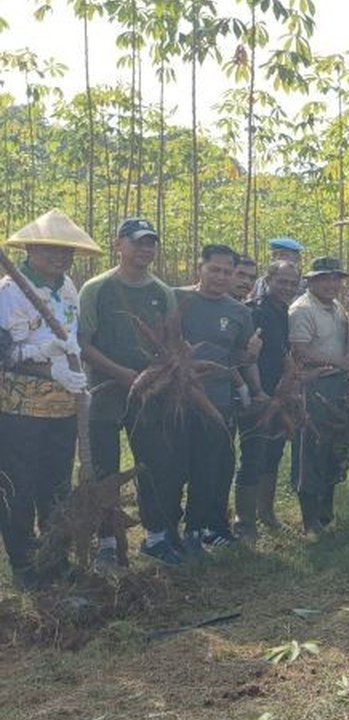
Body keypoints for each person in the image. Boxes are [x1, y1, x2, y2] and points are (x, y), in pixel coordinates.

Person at [131, 244, 255, 562]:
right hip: (174, 402)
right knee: (169, 470)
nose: (221, 277)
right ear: (200, 267)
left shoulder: (240, 312)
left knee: (206, 472)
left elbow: (237, 356)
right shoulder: (175, 298)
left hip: (217, 403)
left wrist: (251, 362)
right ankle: (162, 535)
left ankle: (194, 532)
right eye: (214, 269)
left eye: (228, 272)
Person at [0, 210, 98, 587]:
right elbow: (7, 351)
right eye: (51, 249)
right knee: (19, 485)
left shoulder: (68, 286)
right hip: (19, 408)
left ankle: (54, 554)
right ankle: (24, 562)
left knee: (55, 483)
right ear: (30, 248)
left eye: (66, 251)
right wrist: (47, 364)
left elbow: (69, 336)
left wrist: (66, 368)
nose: (60, 257)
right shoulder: (12, 290)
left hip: (63, 404)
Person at [79, 217, 177, 569]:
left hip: (149, 393)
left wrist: (158, 376)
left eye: (151, 243)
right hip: (104, 391)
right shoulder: (96, 288)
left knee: (153, 464)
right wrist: (120, 373)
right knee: (105, 469)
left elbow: (171, 342)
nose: (145, 249)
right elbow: (83, 344)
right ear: (118, 244)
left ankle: (156, 538)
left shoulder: (161, 292)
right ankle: (107, 543)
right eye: (138, 242)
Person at [289, 257, 349, 534]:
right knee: (311, 451)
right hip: (313, 387)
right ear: (311, 281)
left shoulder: (338, 307)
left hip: (338, 387)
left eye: (335, 279)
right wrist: (340, 363)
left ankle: (325, 512)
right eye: (324, 278)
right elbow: (300, 351)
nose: (331, 284)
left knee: (332, 449)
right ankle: (310, 520)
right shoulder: (302, 309)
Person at [234, 260, 301, 536]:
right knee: (253, 454)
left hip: (279, 394)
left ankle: (267, 513)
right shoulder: (255, 312)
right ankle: (244, 522)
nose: (287, 287)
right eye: (281, 281)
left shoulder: (285, 313)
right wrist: (256, 390)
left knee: (273, 453)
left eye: (292, 283)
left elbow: (285, 353)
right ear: (268, 280)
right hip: (255, 397)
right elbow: (243, 355)